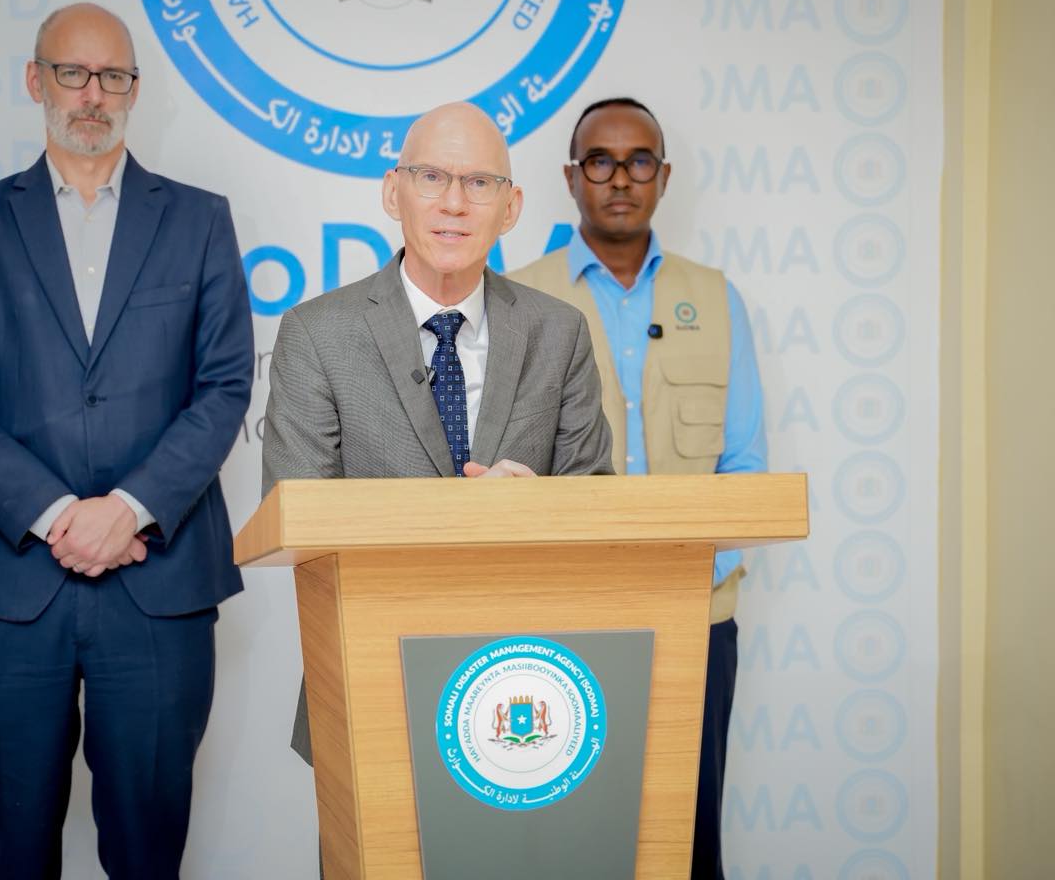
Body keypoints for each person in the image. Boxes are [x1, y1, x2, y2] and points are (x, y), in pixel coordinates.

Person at [0, 2, 254, 880]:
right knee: (10, 854)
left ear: (135, 89)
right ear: (37, 80)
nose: (93, 95)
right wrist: (62, 513)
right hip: (6, 585)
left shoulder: (200, 220)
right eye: (73, 73)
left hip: (157, 586)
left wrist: (130, 509)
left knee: (148, 855)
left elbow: (224, 388)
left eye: (113, 77)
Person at [262, 101, 614, 769]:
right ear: (393, 192)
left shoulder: (559, 332)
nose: (454, 202)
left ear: (510, 208)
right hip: (369, 675)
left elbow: (596, 502)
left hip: (532, 688)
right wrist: (465, 517)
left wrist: (535, 509)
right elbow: (297, 518)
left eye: (479, 183)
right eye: (431, 177)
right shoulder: (317, 334)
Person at [509, 97, 767, 880]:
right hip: (562, 621)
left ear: (664, 176)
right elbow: (501, 477)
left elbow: (744, 471)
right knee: (567, 846)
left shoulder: (715, 298)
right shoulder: (517, 298)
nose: (620, 179)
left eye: (639, 161)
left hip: (696, 617)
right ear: (571, 177)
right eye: (600, 161)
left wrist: (680, 583)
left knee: (686, 844)